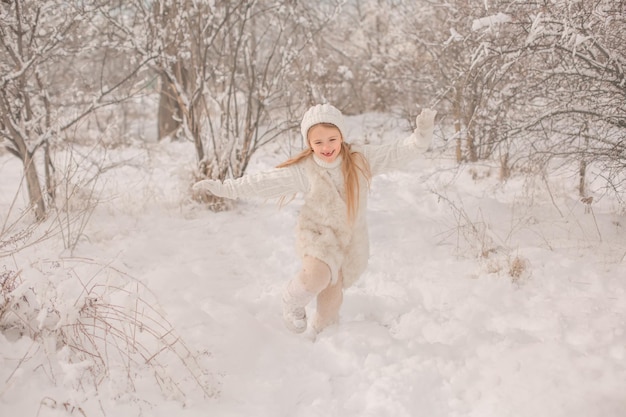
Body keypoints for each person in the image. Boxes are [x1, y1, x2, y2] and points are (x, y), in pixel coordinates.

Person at [193, 103, 436, 337]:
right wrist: (224, 188)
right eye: (318, 142)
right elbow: (264, 182)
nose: (326, 147)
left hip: (350, 242)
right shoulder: (304, 169)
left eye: (332, 139)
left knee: (331, 305)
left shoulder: (361, 159)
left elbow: (396, 153)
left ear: (341, 135)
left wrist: (420, 137)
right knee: (316, 276)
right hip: (318, 235)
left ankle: (321, 339)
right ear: (309, 144)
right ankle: (291, 300)